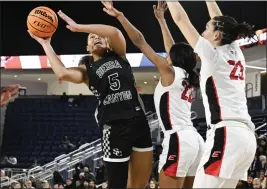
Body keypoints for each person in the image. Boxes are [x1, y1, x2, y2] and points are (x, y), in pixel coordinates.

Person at [28, 7, 153, 189]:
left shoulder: (119, 54)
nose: (95, 37)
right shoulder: (86, 71)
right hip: (114, 127)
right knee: (117, 185)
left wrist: (80, 28)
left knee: (140, 183)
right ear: (87, 47)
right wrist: (46, 45)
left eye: (98, 36)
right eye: (91, 38)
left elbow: (114, 32)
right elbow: (62, 73)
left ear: (108, 43)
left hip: (139, 122)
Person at [102, 1, 204, 188]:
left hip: (179, 139)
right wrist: (161, 21)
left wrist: (120, 16)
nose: (166, 55)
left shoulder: (170, 72)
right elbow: (171, 47)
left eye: (169, 55)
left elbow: (140, 41)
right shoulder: (186, 74)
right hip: (195, 141)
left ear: (173, 58)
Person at [166, 0, 257, 188]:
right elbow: (219, 19)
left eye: (206, 28)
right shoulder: (235, 51)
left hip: (227, 134)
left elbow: (181, 19)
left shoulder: (212, 55)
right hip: (246, 138)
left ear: (216, 35)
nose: (202, 32)